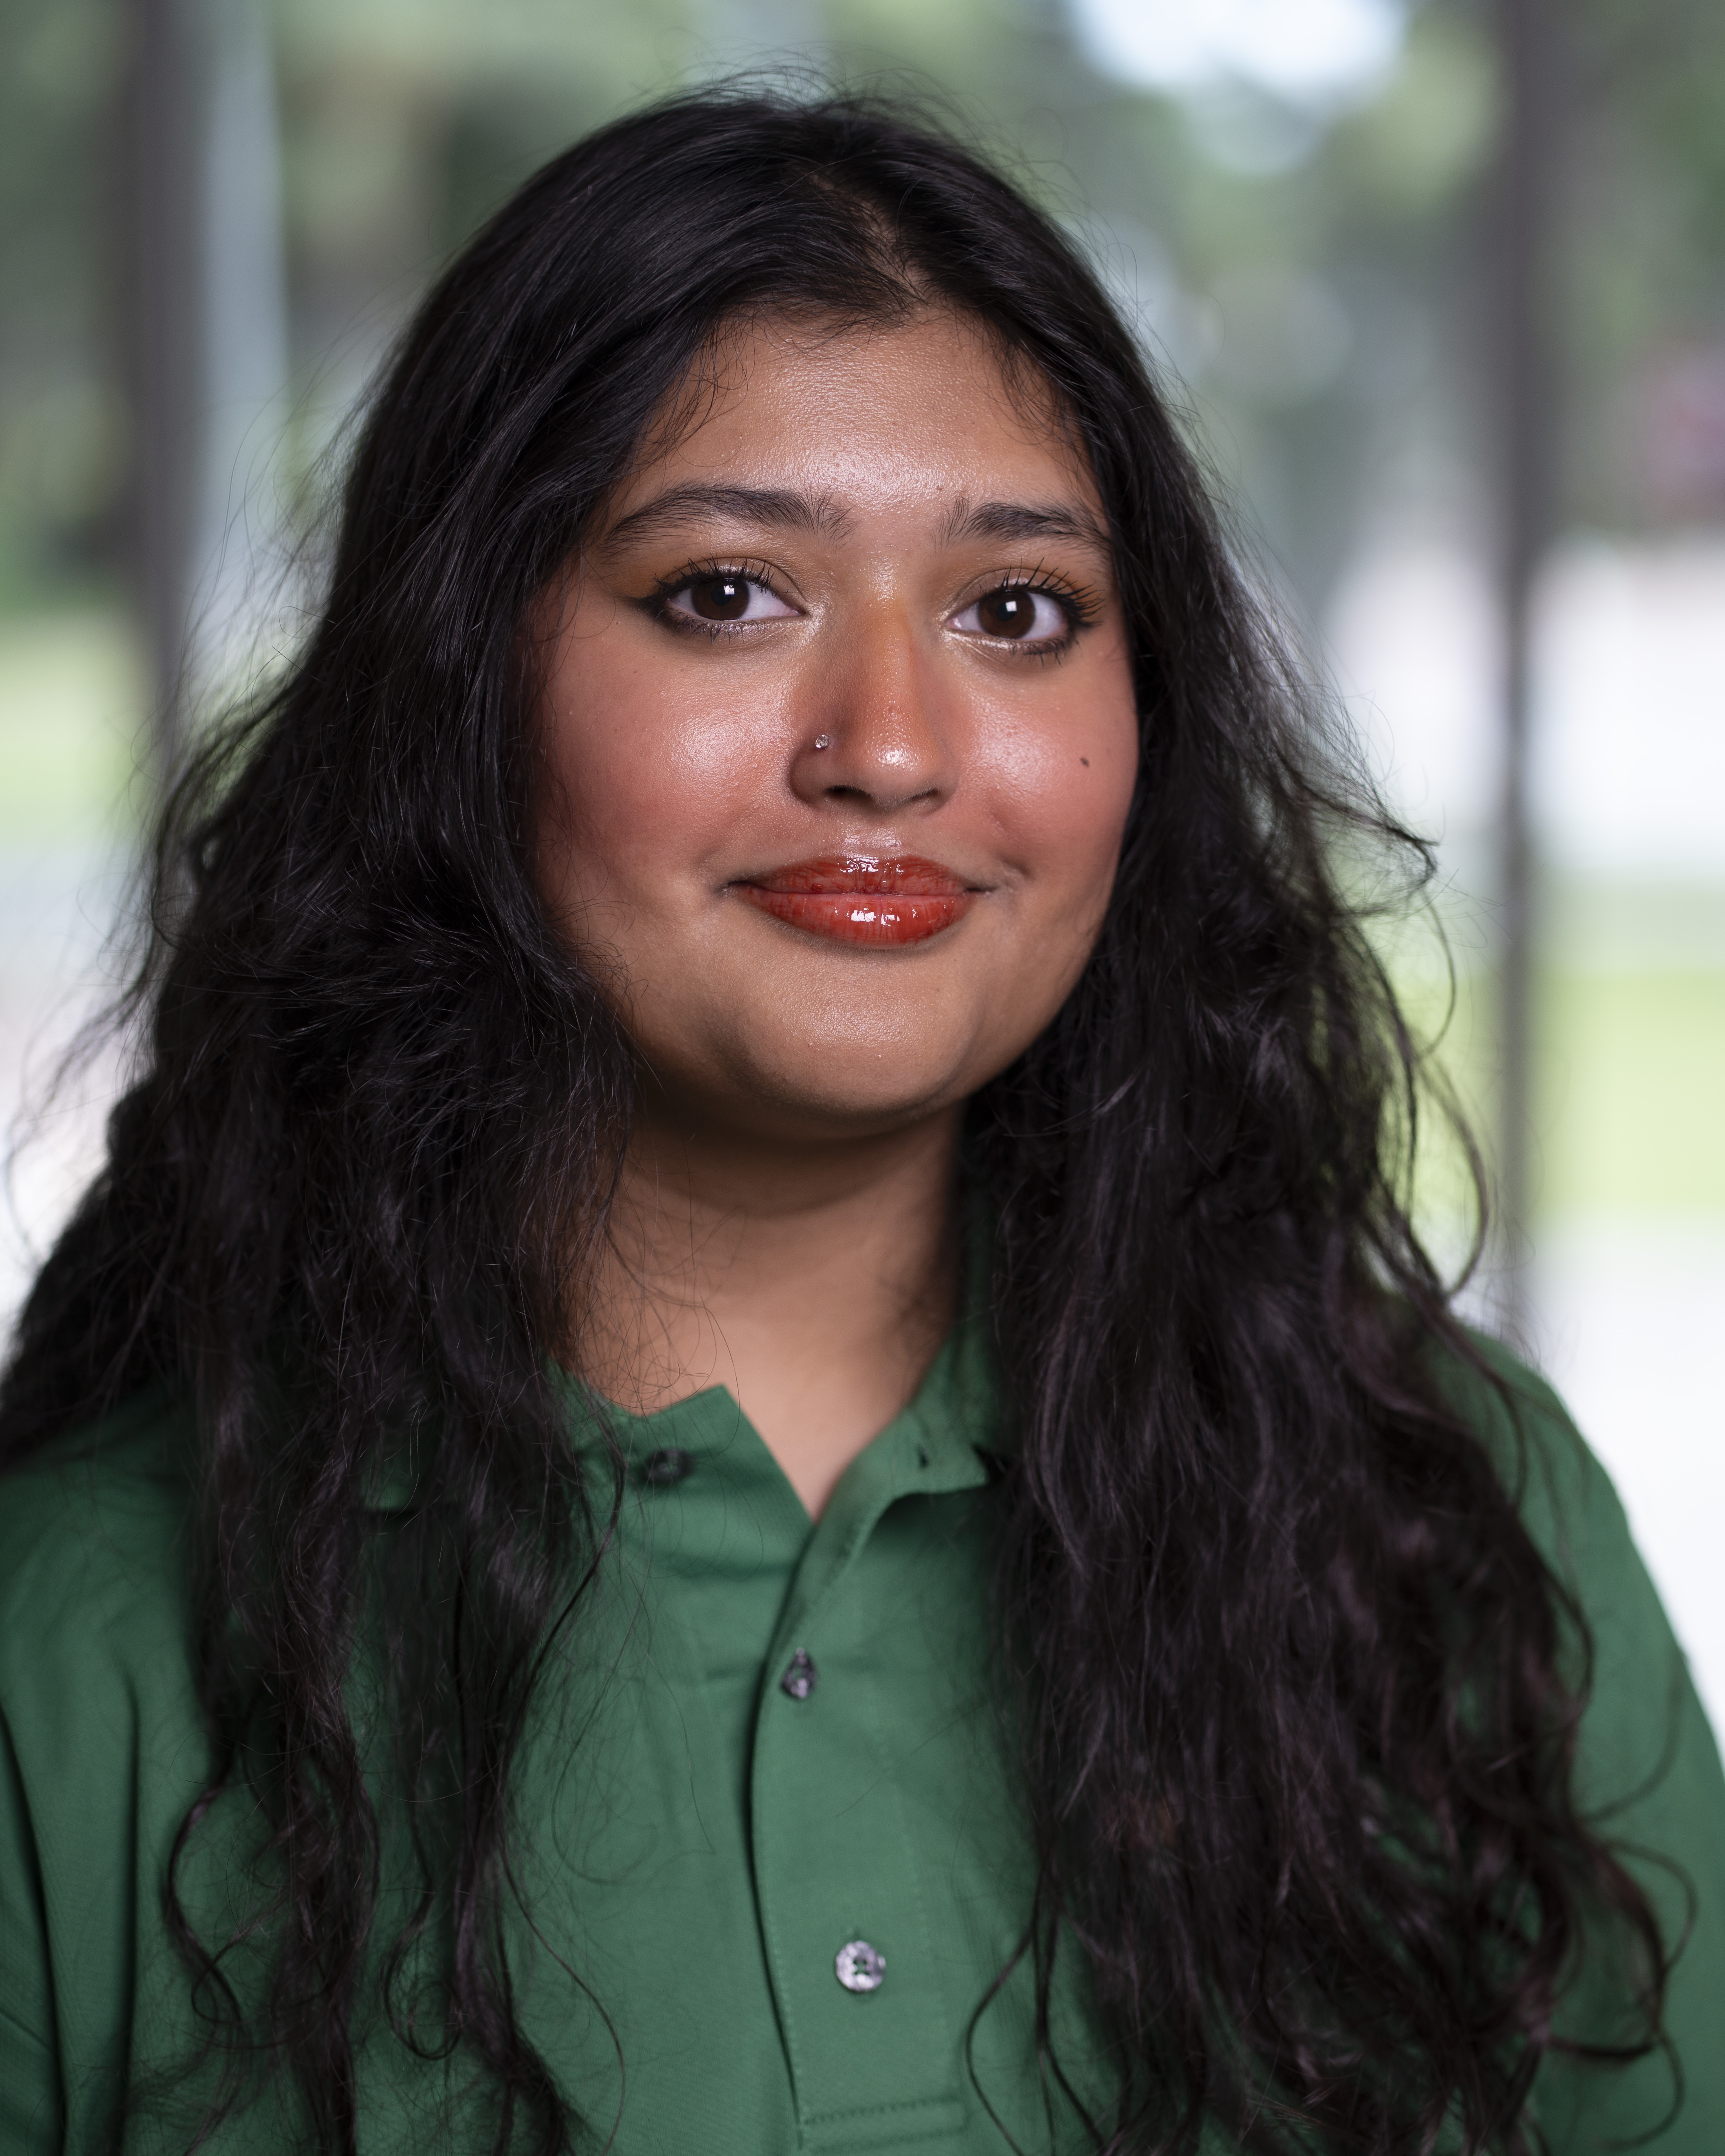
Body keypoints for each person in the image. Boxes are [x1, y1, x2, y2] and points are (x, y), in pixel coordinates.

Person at [0, 87, 1719, 2156]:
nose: (893, 748)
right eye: (731, 594)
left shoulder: (1454, 1519)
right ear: (460, 683)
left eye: (1016, 611)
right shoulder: (78, 1640)